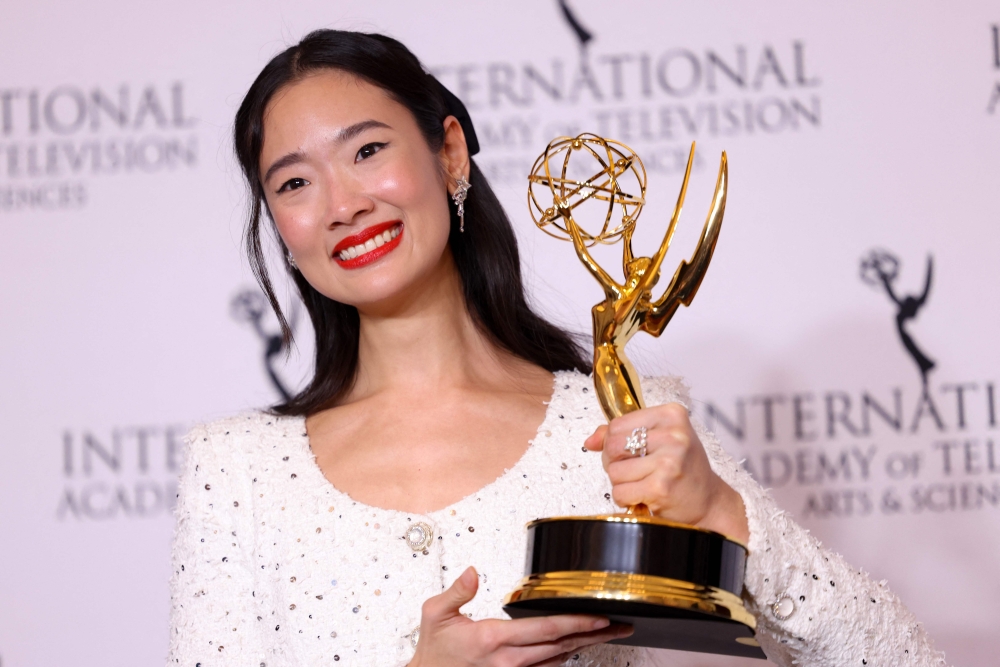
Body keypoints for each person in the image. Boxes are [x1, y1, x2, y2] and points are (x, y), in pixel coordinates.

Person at [168, 29, 948, 667]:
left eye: (367, 151)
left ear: (448, 153)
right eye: (294, 183)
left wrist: (720, 511)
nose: (342, 203)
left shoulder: (621, 425)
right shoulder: (236, 471)